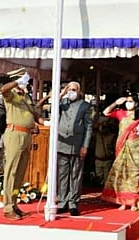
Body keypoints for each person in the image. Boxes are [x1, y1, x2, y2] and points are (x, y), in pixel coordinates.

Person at [0, 68, 44, 219]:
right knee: (11, 171)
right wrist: (15, 83)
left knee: (20, 172)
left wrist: (44, 122)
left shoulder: (26, 96)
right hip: (15, 133)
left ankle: (14, 202)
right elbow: (3, 90)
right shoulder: (11, 94)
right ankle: (7, 207)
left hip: (26, 134)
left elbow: (34, 114)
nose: (26, 82)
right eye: (23, 79)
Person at [101, 93, 139, 211]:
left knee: (134, 174)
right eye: (127, 101)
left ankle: (134, 202)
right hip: (122, 147)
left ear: (136, 103)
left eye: (131, 101)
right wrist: (116, 103)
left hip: (136, 149)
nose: (128, 103)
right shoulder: (122, 113)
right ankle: (123, 201)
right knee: (122, 174)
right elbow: (106, 112)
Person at [54, 81, 92, 216]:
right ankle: (62, 201)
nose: (72, 92)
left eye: (74, 90)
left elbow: (88, 126)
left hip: (77, 144)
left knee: (75, 173)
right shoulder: (63, 103)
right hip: (62, 143)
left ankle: (73, 202)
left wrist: (85, 145)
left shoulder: (85, 105)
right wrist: (62, 93)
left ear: (79, 91)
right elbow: (52, 106)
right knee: (62, 174)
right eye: (70, 89)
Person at [93, 116, 117, 186]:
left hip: (108, 160)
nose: (103, 126)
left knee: (107, 181)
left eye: (105, 124)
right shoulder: (97, 135)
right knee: (98, 179)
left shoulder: (112, 136)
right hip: (98, 160)